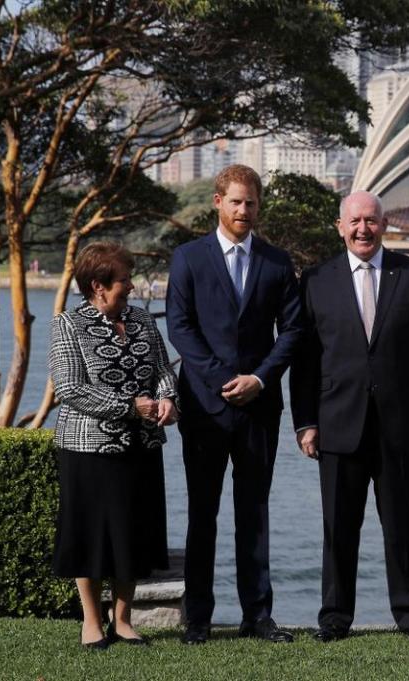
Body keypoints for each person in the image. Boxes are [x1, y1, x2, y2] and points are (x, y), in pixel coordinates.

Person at [290, 191, 409, 643]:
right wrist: (305, 422)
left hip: (401, 427)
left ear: (385, 225)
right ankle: (335, 619)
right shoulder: (317, 280)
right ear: (341, 227)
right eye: (355, 221)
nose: (364, 229)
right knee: (338, 528)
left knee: (402, 526)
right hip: (336, 424)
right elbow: (304, 360)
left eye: (372, 221)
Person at [166, 164, 302, 645]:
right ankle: (198, 619)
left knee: (255, 513)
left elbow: (293, 332)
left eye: (252, 203)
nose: (245, 210)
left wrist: (260, 380)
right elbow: (180, 328)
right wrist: (227, 381)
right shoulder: (188, 258)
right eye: (237, 201)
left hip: (259, 409)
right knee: (203, 514)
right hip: (204, 407)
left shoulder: (277, 262)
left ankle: (257, 617)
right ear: (218, 202)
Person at [49, 241, 178, 649]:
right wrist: (129, 407)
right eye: (124, 280)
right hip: (87, 448)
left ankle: (122, 620)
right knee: (89, 535)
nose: (132, 287)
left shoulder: (141, 320)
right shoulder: (67, 325)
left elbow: (162, 369)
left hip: (142, 446)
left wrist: (168, 399)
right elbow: (69, 389)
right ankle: (92, 622)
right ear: (97, 286)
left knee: (134, 533)